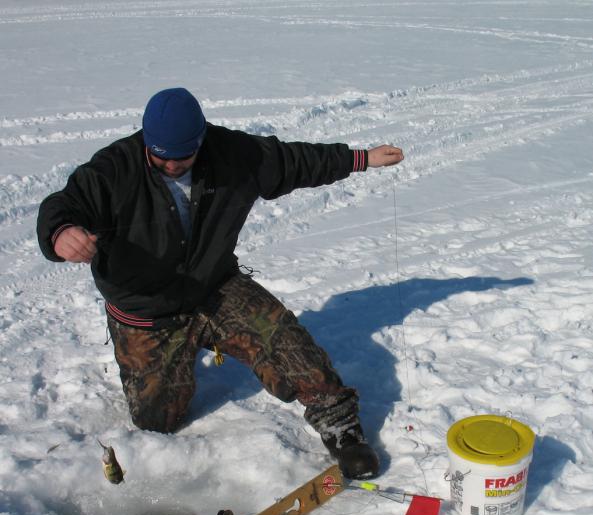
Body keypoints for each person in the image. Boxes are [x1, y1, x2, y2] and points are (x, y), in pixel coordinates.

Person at [37, 87, 404, 479]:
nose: (171, 164)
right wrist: (60, 232)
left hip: (214, 287)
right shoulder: (113, 170)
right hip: (146, 311)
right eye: (160, 155)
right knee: (157, 422)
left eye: (182, 157)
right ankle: (177, 355)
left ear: (200, 141)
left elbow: (295, 160)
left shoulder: (231, 153)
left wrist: (361, 159)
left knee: (283, 338)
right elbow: (64, 204)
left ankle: (340, 427)